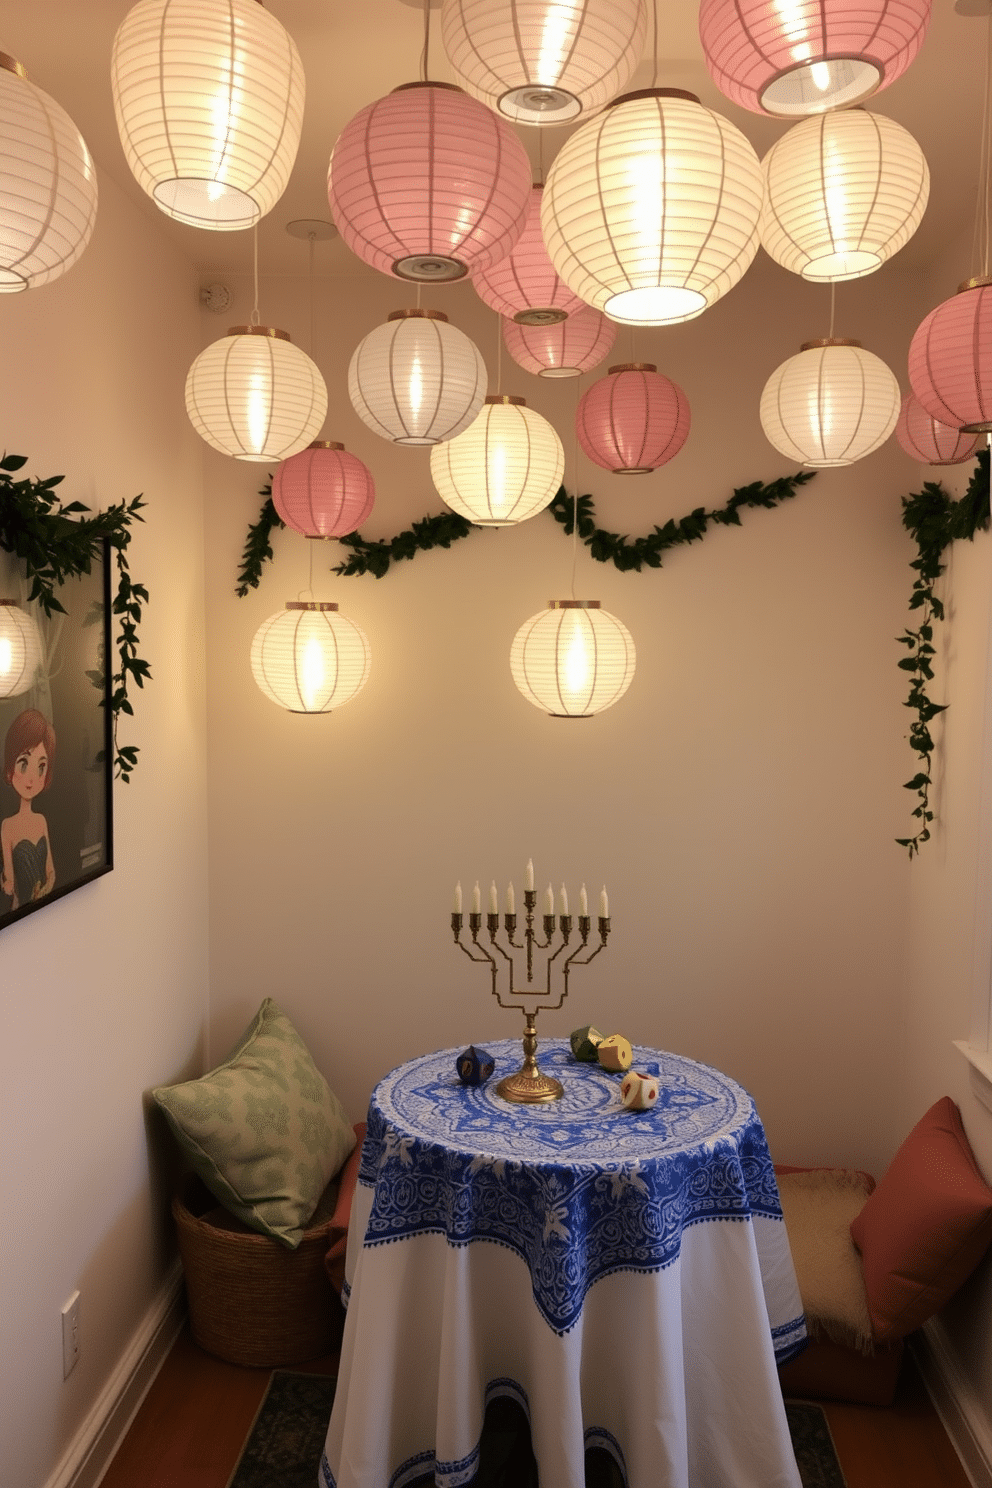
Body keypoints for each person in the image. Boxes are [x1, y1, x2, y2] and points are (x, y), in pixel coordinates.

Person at [1, 708, 56, 910]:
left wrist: (44, 890)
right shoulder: (7, 826)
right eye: (23, 764)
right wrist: (7, 884)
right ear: (10, 769)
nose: (32, 778)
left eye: (41, 767)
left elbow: (51, 871)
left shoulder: (41, 820)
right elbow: (10, 883)